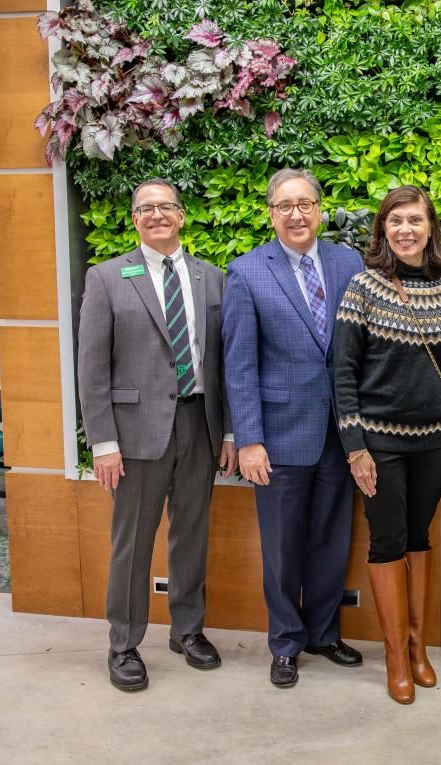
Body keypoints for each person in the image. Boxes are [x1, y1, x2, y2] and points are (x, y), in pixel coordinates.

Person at [77, 178, 237, 692]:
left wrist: (229, 431)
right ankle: (123, 643)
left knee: (191, 533)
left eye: (165, 206)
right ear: (134, 219)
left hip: (199, 423)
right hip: (136, 432)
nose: (156, 215)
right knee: (133, 541)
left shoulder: (213, 279)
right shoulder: (107, 278)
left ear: (182, 215)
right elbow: (91, 367)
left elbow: (226, 362)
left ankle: (188, 631)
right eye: (146, 209)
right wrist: (103, 442)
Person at [334, 185, 441, 704]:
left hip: (436, 443)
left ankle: (419, 648)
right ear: (383, 230)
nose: (406, 230)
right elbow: (344, 374)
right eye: (395, 221)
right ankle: (395, 655)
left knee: (420, 538)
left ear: (430, 228)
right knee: (387, 541)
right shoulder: (363, 289)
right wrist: (356, 446)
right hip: (380, 444)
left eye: (415, 220)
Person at [222, 168, 363, 688]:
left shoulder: (349, 264)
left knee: (332, 538)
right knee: (282, 547)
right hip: (279, 436)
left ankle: (323, 634)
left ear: (320, 209)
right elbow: (238, 365)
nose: (296, 214)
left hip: (341, 433)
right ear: (271, 213)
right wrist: (250, 439)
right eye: (285, 206)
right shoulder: (247, 272)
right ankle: (285, 644)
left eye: (305, 204)